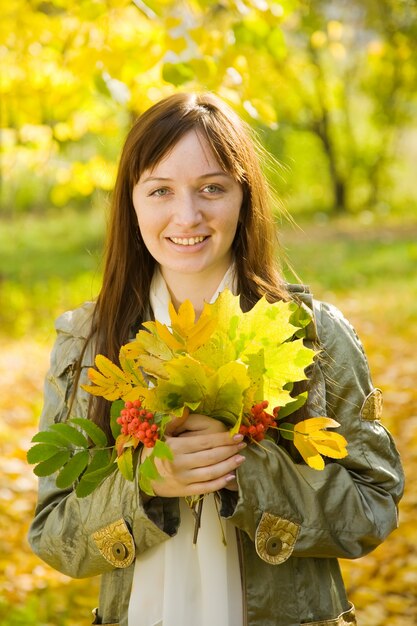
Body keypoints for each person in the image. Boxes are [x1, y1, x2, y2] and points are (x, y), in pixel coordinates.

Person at [29, 92, 404, 626]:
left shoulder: (314, 335)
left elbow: (372, 509)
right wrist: (144, 486)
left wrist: (243, 470)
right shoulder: (90, 343)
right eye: (161, 190)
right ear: (132, 203)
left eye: (212, 188)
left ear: (244, 197)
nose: (188, 215)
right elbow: (53, 534)